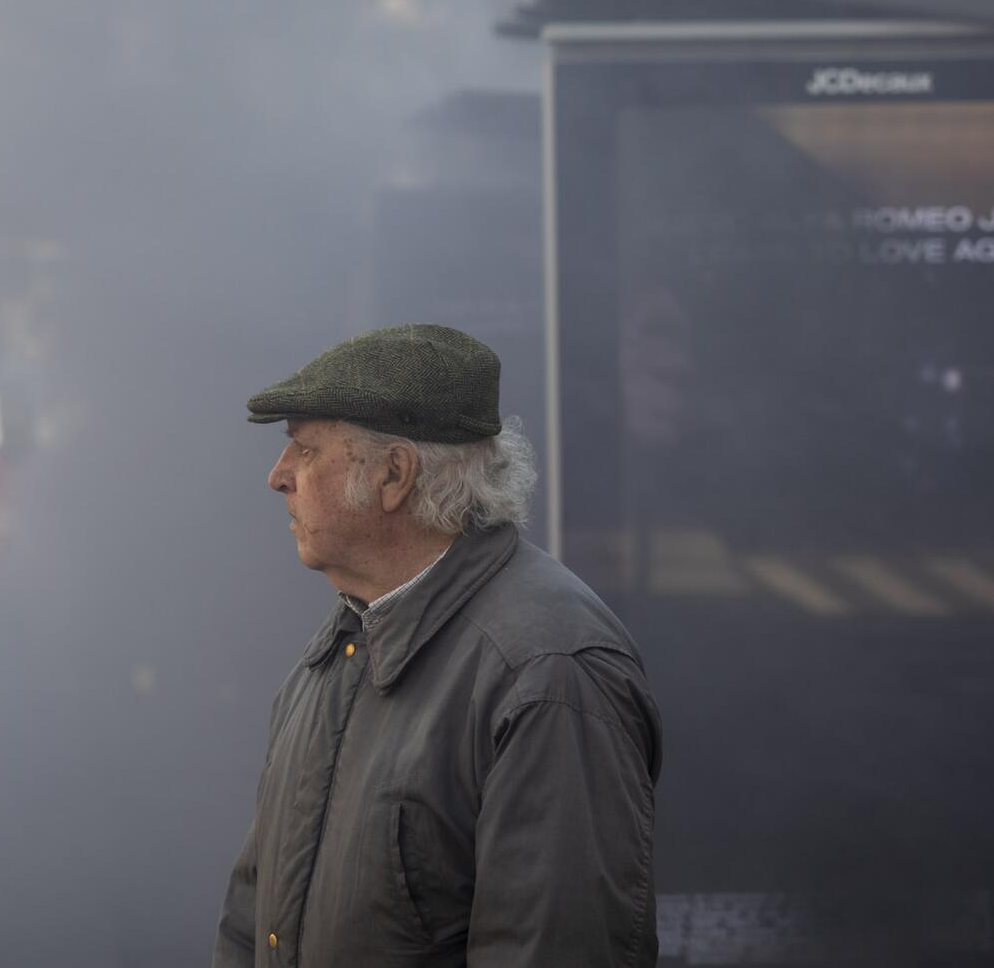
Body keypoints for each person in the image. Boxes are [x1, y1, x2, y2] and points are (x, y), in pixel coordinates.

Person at [214, 324, 663, 968]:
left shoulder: (549, 672)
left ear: (395, 474)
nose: (278, 477)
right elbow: (249, 921)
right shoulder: (343, 646)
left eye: (306, 450)